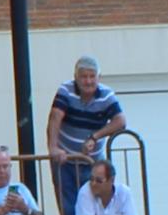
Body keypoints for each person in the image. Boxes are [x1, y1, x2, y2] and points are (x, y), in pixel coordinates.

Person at [47, 56, 125, 188]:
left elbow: (120, 121)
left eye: (92, 76)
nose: (88, 81)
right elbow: (55, 117)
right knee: (68, 206)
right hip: (65, 159)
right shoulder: (66, 90)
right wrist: (53, 148)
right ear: (75, 77)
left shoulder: (106, 95)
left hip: (93, 162)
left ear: (99, 77)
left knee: (95, 203)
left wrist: (94, 138)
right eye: (83, 76)